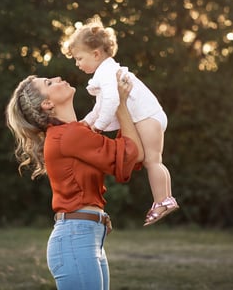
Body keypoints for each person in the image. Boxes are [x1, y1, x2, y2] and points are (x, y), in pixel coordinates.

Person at [5, 71, 144, 290]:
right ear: (47, 104)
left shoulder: (75, 132)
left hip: (86, 236)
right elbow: (130, 156)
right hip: (76, 238)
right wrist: (121, 105)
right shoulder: (68, 136)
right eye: (49, 83)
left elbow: (127, 158)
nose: (58, 79)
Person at [63, 16, 179, 226]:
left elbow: (111, 102)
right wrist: (86, 123)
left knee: (152, 161)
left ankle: (163, 200)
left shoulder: (107, 72)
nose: (77, 64)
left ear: (96, 53)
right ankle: (165, 199)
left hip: (147, 117)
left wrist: (97, 127)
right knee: (152, 160)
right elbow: (99, 106)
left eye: (79, 58)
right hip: (148, 116)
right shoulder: (105, 71)